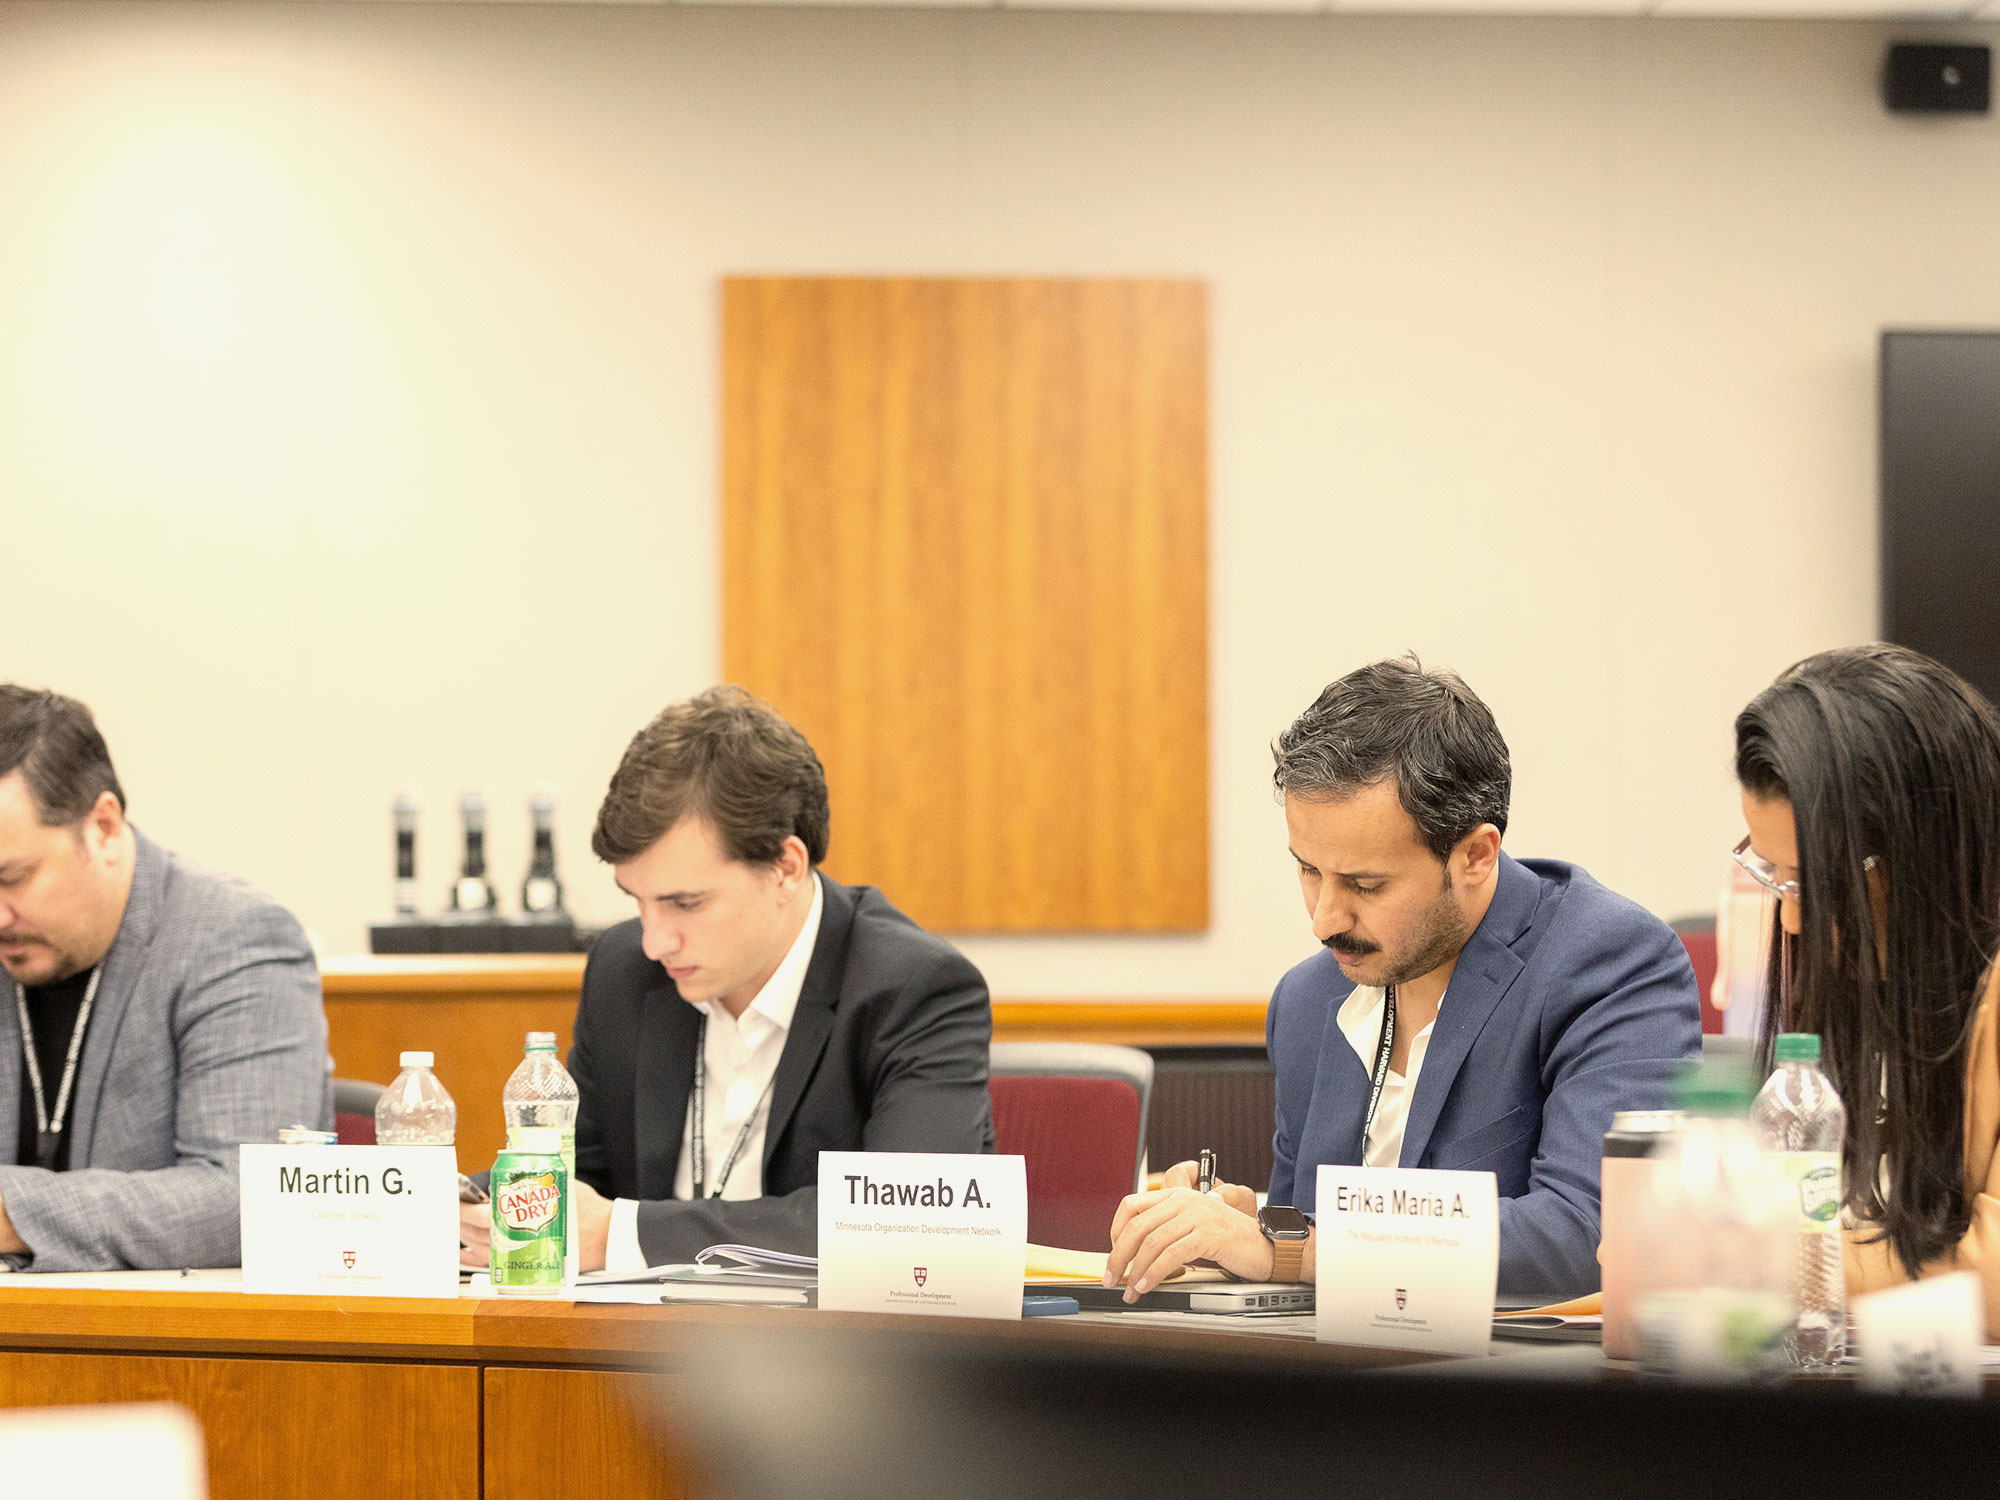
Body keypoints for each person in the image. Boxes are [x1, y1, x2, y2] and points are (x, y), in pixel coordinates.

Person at [1105, 657, 1701, 1298]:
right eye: (1308, 871)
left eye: (1365, 884)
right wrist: (1236, 1227)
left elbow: (1591, 1234)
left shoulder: (1610, 964)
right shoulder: (1308, 1001)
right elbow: (1297, 1256)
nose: (1325, 920)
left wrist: (1289, 1248)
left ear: (1475, 855)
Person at [462, 686, 994, 1272]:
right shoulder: (625, 971)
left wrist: (624, 1232)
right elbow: (579, 1175)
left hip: (839, 1357)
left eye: (685, 903)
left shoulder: (913, 989)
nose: (654, 941)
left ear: (786, 868)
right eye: (637, 902)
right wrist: (457, 1205)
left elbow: (912, 1223)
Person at [0, 686, 328, 1271]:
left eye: (14, 877)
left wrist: (10, 1212)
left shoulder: (234, 939)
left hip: (165, 1352)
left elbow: (248, 1198)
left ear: (102, 826)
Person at [1733, 644, 2000, 1332]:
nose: (1791, 917)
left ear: (1922, 855)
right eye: (1772, 876)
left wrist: (1768, 1267)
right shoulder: (1869, 983)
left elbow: (1994, 1272)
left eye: (1815, 884)